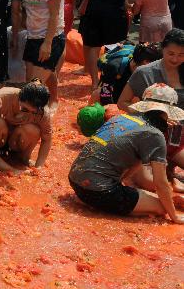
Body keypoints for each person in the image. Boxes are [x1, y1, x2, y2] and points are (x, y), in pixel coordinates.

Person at [69, 83, 184, 223]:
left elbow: (134, 161)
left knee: (152, 197)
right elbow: (160, 182)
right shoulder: (154, 134)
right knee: (161, 207)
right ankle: (99, 204)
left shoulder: (121, 118)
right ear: (168, 112)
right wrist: (174, 216)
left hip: (75, 181)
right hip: (99, 191)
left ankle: (90, 199)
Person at [10, 0, 65, 86]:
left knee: (34, 85)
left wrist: (47, 43)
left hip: (49, 37)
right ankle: (53, 99)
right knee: (34, 78)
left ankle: (42, 105)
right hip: (33, 36)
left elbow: (54, 14)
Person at [0, 80, 53, 167]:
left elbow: (47, 139)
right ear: (19, 97)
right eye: (24, 109)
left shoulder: (43, 113)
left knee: (33, 130)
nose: (27, 114)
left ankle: (23, 157)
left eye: (33, 112)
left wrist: (39, 166)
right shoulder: (0, 97)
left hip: (15, 141)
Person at [118, 28, 184, 111]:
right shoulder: (143, 73)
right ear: (162, 49)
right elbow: (122, 102)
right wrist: (152, 115)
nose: (175, 59)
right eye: (171, 54)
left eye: (181, 55)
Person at [92, 42, 161, 106]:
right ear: (146, 62)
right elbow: (105, 95)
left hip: (126, 92)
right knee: (97, 95)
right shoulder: (114, 67)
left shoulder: (146, 70)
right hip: (112, 89)